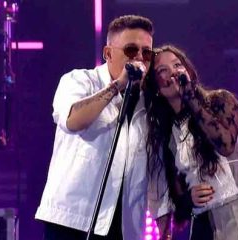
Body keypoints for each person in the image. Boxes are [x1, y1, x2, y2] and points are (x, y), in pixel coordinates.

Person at [35, 15, 155, 240]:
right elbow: (73, 121)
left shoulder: (150, 102)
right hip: (72, 220)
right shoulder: (78, 81)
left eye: (146, 52)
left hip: (125, 227)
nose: (139, 57)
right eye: (131, 50)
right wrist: (118, 85)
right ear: (108, 53)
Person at [145, 45, 238, 240]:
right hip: (205, 223)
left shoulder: (220, 101)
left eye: (177, 65)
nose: (173, 73)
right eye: (162, 70)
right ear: (156, 87)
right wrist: (188, 199)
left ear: (188, 71)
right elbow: (169, 197)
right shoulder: (164, 134)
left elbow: (225, 144)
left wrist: (189, 96)